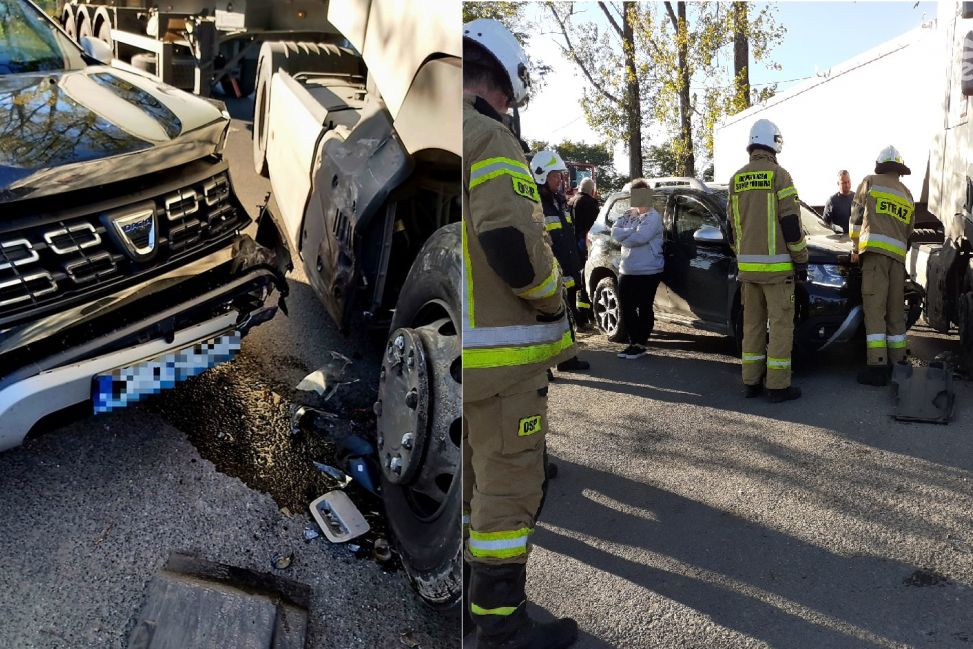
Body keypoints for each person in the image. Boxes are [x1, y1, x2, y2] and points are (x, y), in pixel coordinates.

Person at [461, 18, 578, 649]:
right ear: (504, 83)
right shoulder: (490, 139)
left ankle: (468, 607)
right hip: (504, 366)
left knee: (473, 487)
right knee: (507, 491)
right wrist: (551, 295)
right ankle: (502, 633)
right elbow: (508, 240)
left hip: (459, 358)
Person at [726, 119, 808, 402]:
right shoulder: (779, 176)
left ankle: (750, 382)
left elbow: (730, 228)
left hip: (748, 272)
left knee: (752, 326)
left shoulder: (736, 180)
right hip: (778, 272)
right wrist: (801, 258)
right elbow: (791, 225)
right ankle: (777, 386)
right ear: (774, 144)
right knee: (781, 327)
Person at [849, 146, 915, 386]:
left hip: (874, 258)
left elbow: (856, 219)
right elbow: (909, 234)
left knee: (875, 311)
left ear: (880, 165)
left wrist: (856, 248)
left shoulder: (870, 182)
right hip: (897, 261)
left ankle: (877, 366)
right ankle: (899, 365)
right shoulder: (907, 194)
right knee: (896, 313)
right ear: (899, 170)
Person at [532, 149, 592, 369]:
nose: (560, 180)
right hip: (550, 271)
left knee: (565, 317)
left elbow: (566, 236)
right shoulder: (535, 203)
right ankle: (545, 366)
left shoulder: (558, 202)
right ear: (542, 176)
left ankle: (567, 358)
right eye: (555, 175)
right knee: (547, 319)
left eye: (560, 175)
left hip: (566, 269)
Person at [610, 180, 664, 359]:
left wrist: (626, 235)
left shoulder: (653, 217)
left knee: (644, 307)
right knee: (626, 307)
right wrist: (630, 233)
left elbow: (642, 237)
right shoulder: (628, 214)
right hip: (627, 269)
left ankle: (641, 343)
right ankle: (633, 342)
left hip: (649, 270)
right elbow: (614, 232)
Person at [569, 177, 600, 259]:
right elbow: (595, 225)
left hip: (571, 241)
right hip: (584, 241)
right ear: (592, 190)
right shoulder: (591, 203)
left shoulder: (571, 201)